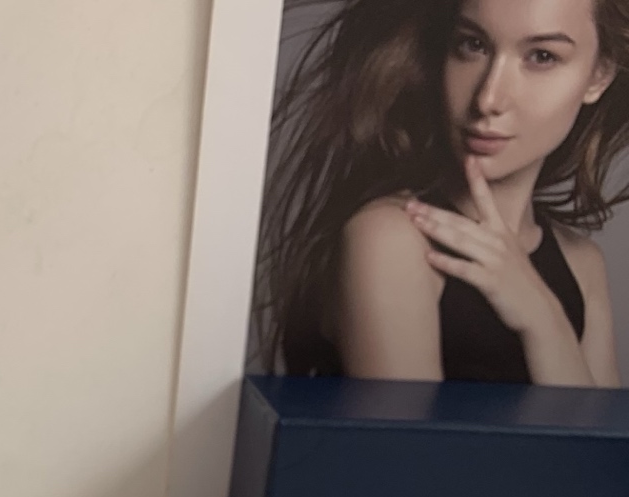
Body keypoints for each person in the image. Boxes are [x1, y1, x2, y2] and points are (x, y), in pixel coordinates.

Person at [256, 0, 629, 385]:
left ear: (598, 75)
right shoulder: (391, 238)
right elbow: (401, 428)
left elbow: (597, 429)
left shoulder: (582, 264)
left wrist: (545, 321)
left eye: (542, 56)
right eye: (473, 45)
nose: (488, 99)